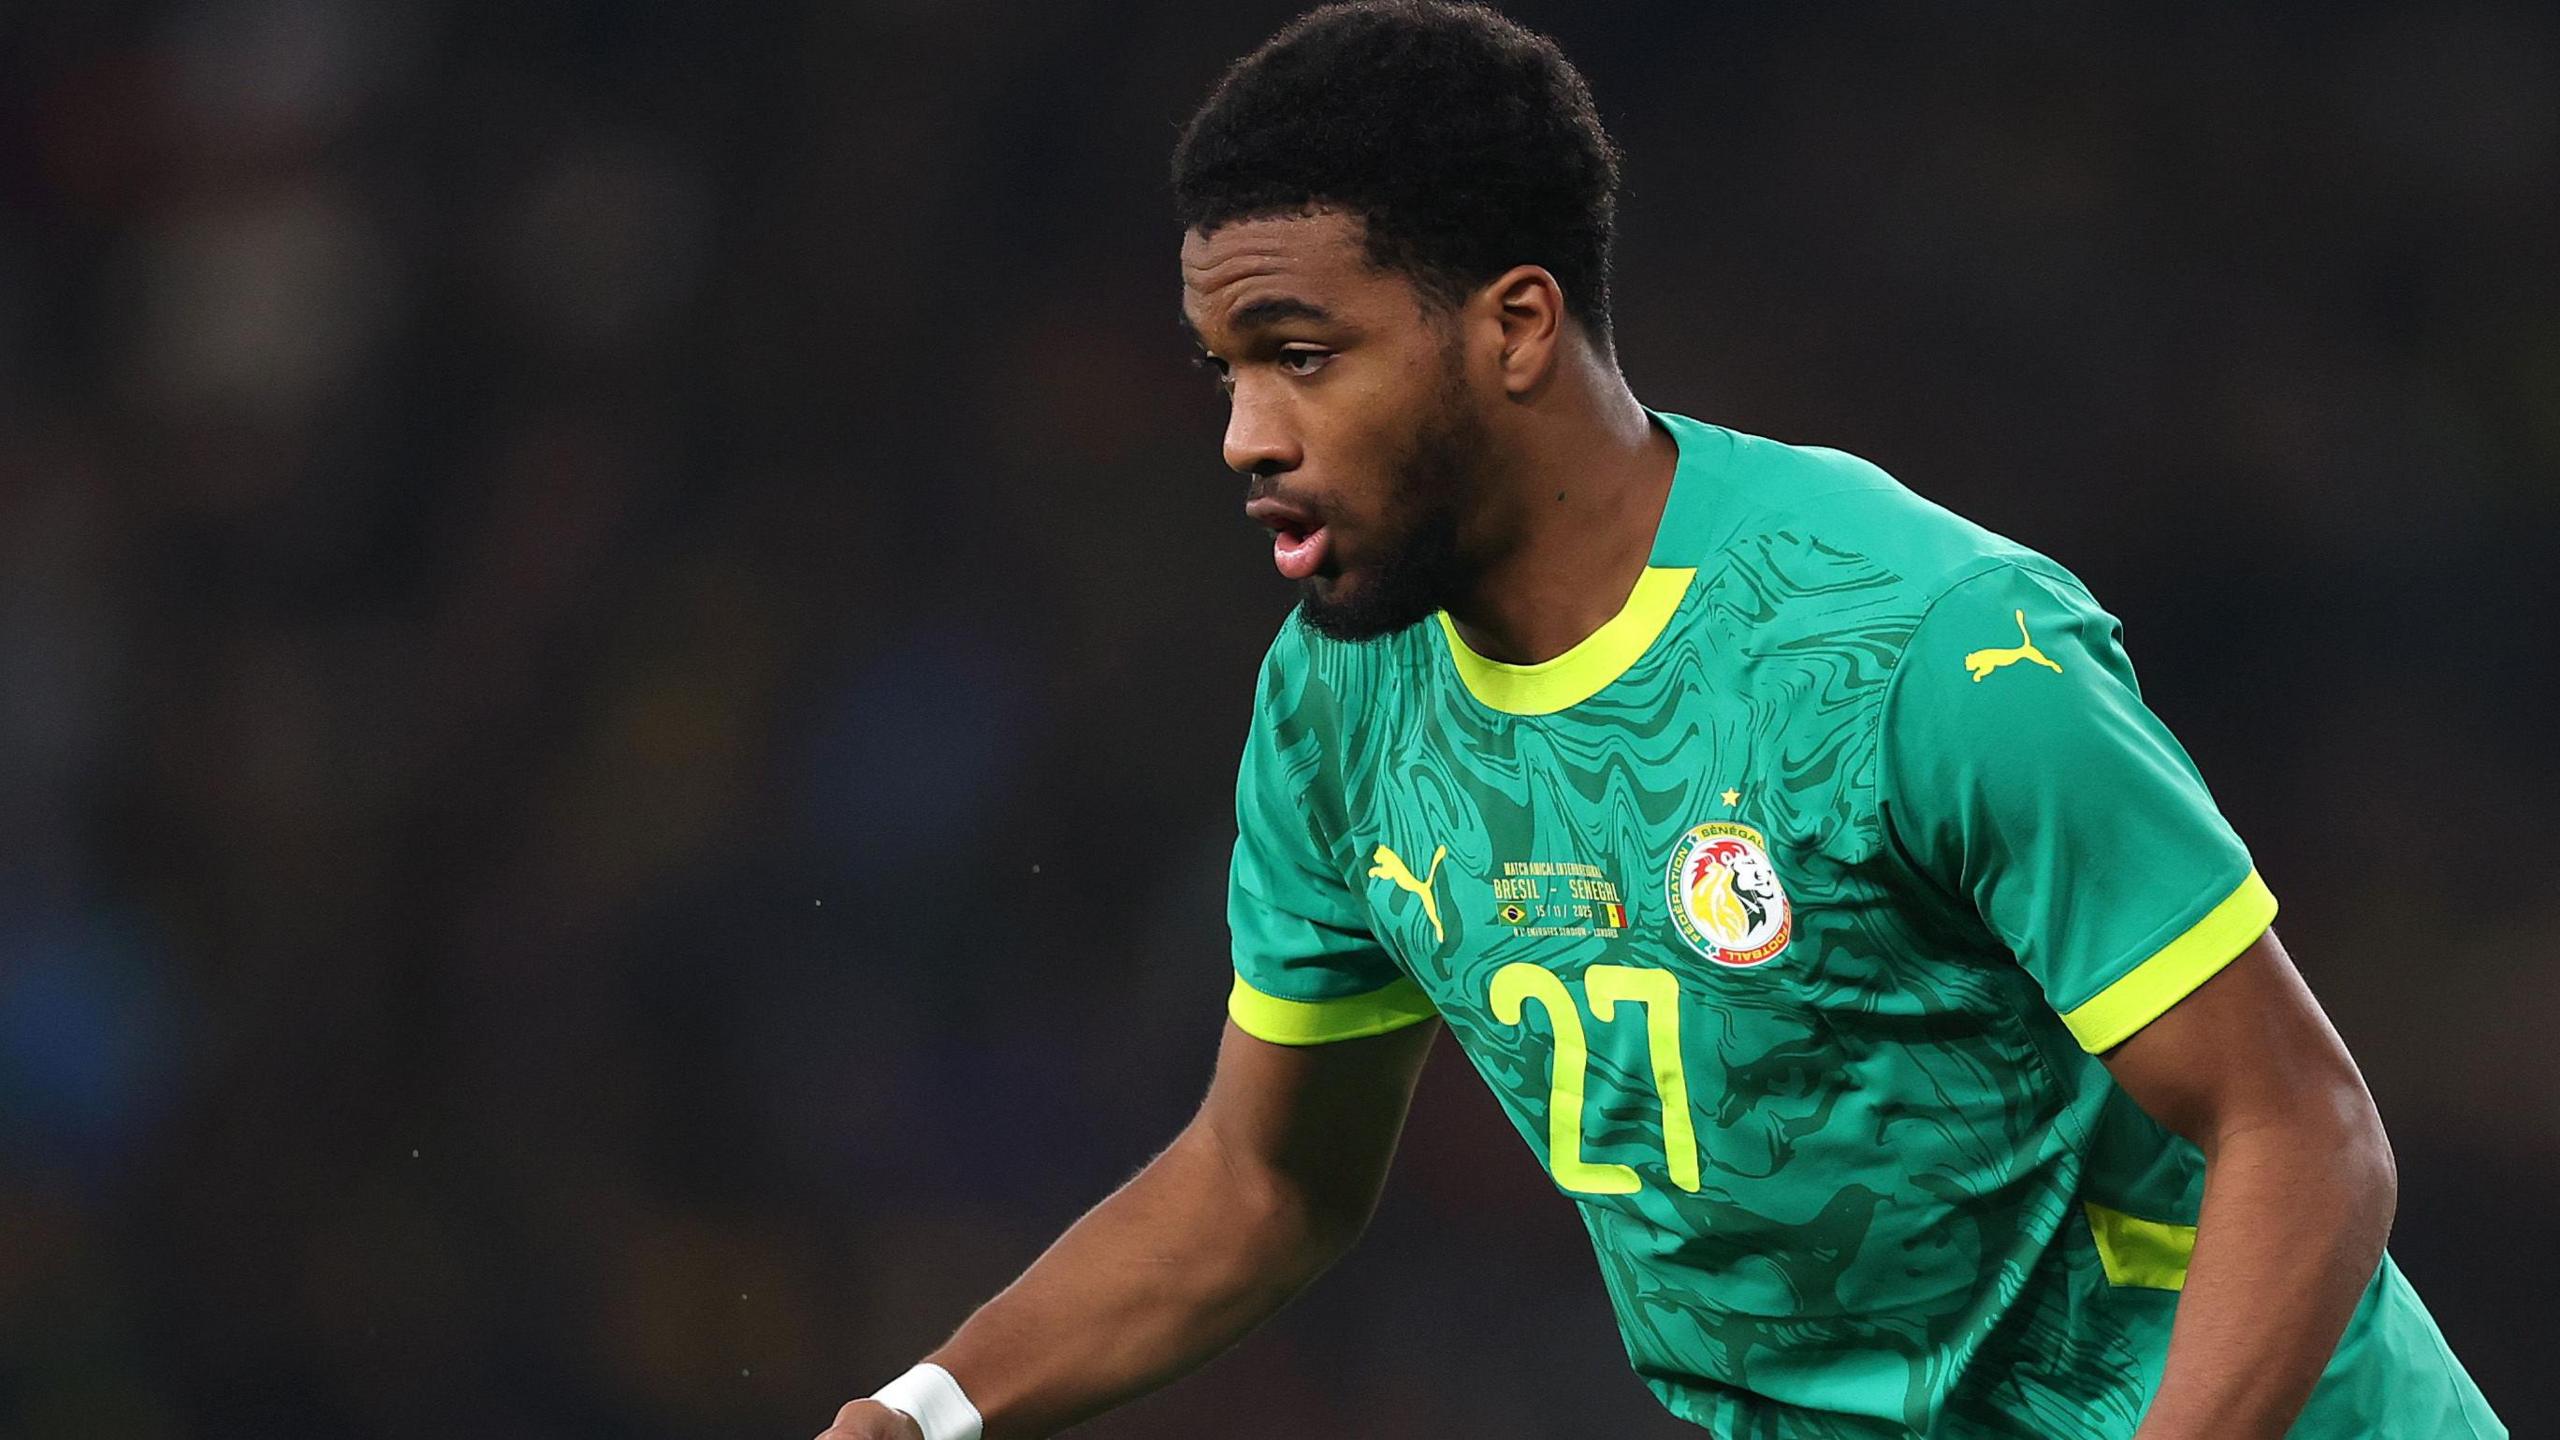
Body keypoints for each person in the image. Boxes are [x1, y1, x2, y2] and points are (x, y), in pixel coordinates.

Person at [823, 4, 2506, 1437]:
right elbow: (1263, 1186)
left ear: (1516, 326)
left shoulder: (1920, 646)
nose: (1245, 434)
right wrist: (929, 1411)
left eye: (1301, 355)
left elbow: (2305, 1131)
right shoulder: (1341, 706)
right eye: (1225, 371)